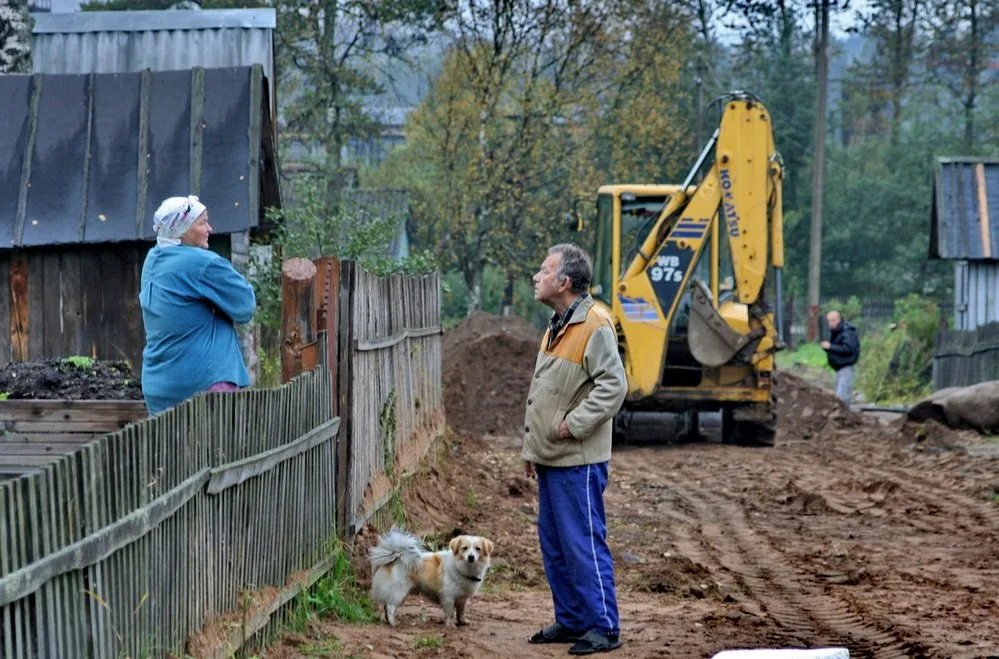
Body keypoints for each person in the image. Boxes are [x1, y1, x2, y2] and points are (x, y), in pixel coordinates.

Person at [522, 243, 627, 656]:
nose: (537, 277)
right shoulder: (556, 324)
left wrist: (572, 425)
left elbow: (614, 387)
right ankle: (571, 619)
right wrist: (533, 449)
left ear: (564, 282)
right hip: (552, 456)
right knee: (555, 545)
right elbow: (544, 390)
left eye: (544, 271)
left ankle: (603, 626)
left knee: (582, 542)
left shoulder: (594, 323)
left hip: (577, 459)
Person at [139, 195, 256, 415]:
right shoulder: (203, 263)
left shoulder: (153, 259)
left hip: (159, 387)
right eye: (202, 222)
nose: (210, 228)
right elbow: (244, 306)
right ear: (182, 230)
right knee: (219, 450)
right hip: (205, 382)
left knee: (172, 450)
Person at [821, 310, 860, 403]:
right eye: (829, 321)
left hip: (845, 368)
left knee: (841, 398)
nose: (831, 323)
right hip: (838, 368)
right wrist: (828, 349)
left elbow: (848, 349)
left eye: (833, 320)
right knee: (840, 396)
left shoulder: (847, 332)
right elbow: (838, 348)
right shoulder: (837, 332)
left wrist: (831, 347)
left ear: (839, 319)